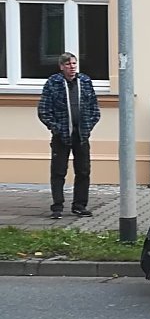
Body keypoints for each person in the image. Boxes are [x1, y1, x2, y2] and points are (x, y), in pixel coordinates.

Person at [37, 52, 100, 219]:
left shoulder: (85, 82)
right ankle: (57, 206)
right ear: (61, 67)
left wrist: (88, 127)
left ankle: (79, 205)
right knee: (58, 172)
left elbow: (94, 108)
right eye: (68, 64)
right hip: (61, 136)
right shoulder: (53, 83)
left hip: (81, 136)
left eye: (73, 63)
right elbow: (44, 110)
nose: (71, 67)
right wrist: (56, 128)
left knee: (83, 171)